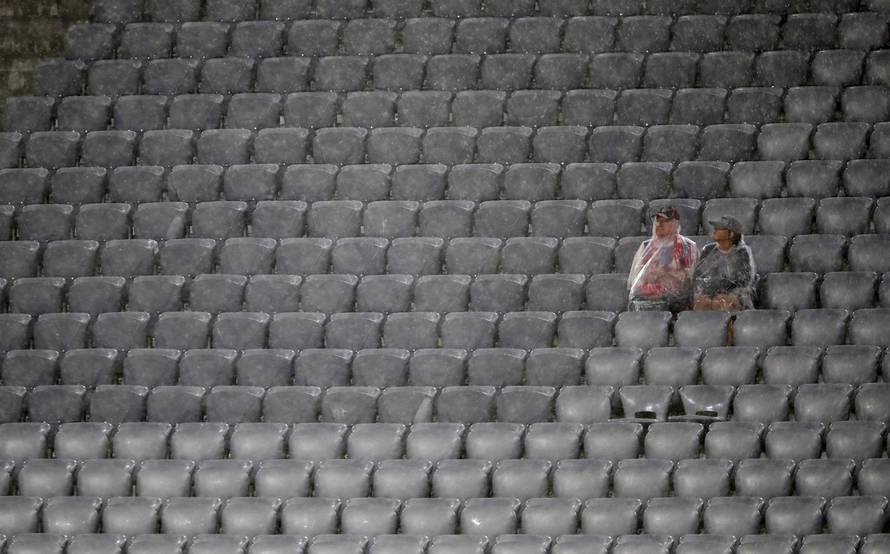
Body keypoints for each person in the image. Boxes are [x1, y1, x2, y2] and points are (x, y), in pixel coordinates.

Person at [627, 206, 699, 312]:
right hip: (648, 297)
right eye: (658, 221)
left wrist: (660, 274)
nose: (659, 224)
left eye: (665, 221)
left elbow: (686, 278)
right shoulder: (646, 246)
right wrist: (664, 274)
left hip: (676, 299)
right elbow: (637, 279)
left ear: (675, 224)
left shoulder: (687, 246)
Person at [692, 215, 757, 311]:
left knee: (725, 302)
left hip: (731, 294)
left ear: (731, 234)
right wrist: (705, 294)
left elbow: (744, 281)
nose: (714, 230)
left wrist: (729, 294)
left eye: (719, 228)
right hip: (709, 293)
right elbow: (698, 275)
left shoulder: (742, 252)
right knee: (701, 302)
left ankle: (729, 323)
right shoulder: (708, 250)